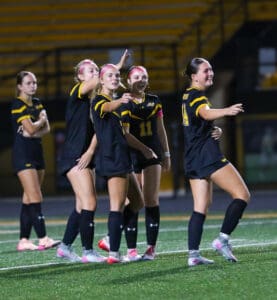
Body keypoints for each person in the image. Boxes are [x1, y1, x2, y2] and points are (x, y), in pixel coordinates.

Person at [56, 52, 130, 263]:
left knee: (81, 205)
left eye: (97, 70)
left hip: (83, 155)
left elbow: (98, 132)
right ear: (80, 77)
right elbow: (101, 79)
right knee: (90, 202)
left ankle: (64, 247)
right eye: (91, 70)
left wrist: (90, 151)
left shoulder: (94, 101)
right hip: (73, 155)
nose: (95, 74)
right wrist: (115, 67)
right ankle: (88, 251)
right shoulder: (78, 91)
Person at [181, 57, 250, 266]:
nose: (210, 73)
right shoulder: (196, 96)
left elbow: (199, 120)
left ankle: (193, 255)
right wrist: (227, 111)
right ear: (194, 76)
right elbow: (204, 112)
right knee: (242, 195)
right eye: (205, 71)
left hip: (193, 157)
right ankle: (222, 240)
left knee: (201, 206)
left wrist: (214, 128)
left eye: (211, 69)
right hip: (207, 156)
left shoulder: (186, 95)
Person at [98, 66, 171, 260]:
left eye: (145, 76)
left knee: (151, 200)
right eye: (137, 76)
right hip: (133, 154)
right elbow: (125, 134)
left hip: (152, 152)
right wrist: (143, 150)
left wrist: (166, 153)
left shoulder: (154, 101)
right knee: (133, 201)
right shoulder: (124, 102)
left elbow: (160, 129)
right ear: (129, 81)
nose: (141, 80)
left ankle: (151, 248)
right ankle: (131, 249)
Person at [11, 71, 60, 251]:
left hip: (37, 153)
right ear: (20, 86)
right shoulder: (18, 104)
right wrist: (40, 121)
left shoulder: (37, 103)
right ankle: (43, 238)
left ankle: (23, 240)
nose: (33, 86)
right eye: (28, 83)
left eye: (34, 82)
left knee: (28, 198)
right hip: (23, 155)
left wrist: (35, 127)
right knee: (36, 196)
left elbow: (44, 130)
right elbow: (32, 128)